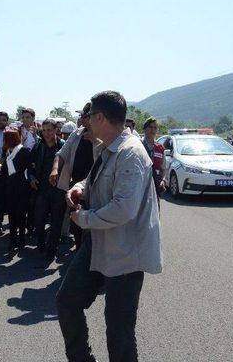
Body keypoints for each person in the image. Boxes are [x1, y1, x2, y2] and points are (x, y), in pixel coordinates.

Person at [57, 91, 163, 362]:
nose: (85, 122)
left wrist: (83, 219)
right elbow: (95, 181)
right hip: (99, 244)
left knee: (119, 331)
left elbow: (123, 208)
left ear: (100, 117)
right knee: (67, 301)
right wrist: (79, 188)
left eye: (89, 117)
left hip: (126, 253)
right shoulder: (107, 147)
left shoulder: (130, 153)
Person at [50, 102, 96, 255]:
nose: (83, 119)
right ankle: (79, 253)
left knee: (93, 224)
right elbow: (61, 154)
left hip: (97, 187)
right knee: (76, 221)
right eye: (82, 116)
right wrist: (55, 169)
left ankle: (90, 256)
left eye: (86, 116)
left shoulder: (103, 136)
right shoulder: (76, 134)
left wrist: (96, 141)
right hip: (75, 186)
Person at [28, 119, 65, 260]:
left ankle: (52, 249)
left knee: (56, 221)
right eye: (44, 130)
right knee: (39, 219)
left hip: (58, 190)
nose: (46, 133)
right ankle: (41, 243)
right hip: (41, 189)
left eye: (49, 130)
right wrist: (31, 178)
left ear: (56, 130)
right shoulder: (38, 146)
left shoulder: (63, 146)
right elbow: (29, 166)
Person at [2, 129, 31, 251]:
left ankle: (22, 240)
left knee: (21, 215)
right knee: (12, 216)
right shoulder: (7, 152)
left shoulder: (23, 151)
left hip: (22, 188)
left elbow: (26, 169)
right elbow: (7, 170)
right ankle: (12, 240)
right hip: (11, 188)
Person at [142, 117, 167, 201]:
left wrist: (163, 180)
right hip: (140, 186)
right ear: (145, 129)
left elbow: (163, 169)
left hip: (155, 187)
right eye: (150, 127)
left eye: (155, 128)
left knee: (155, 212)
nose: (152, 130)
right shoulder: (138, 145)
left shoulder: (160, 148)